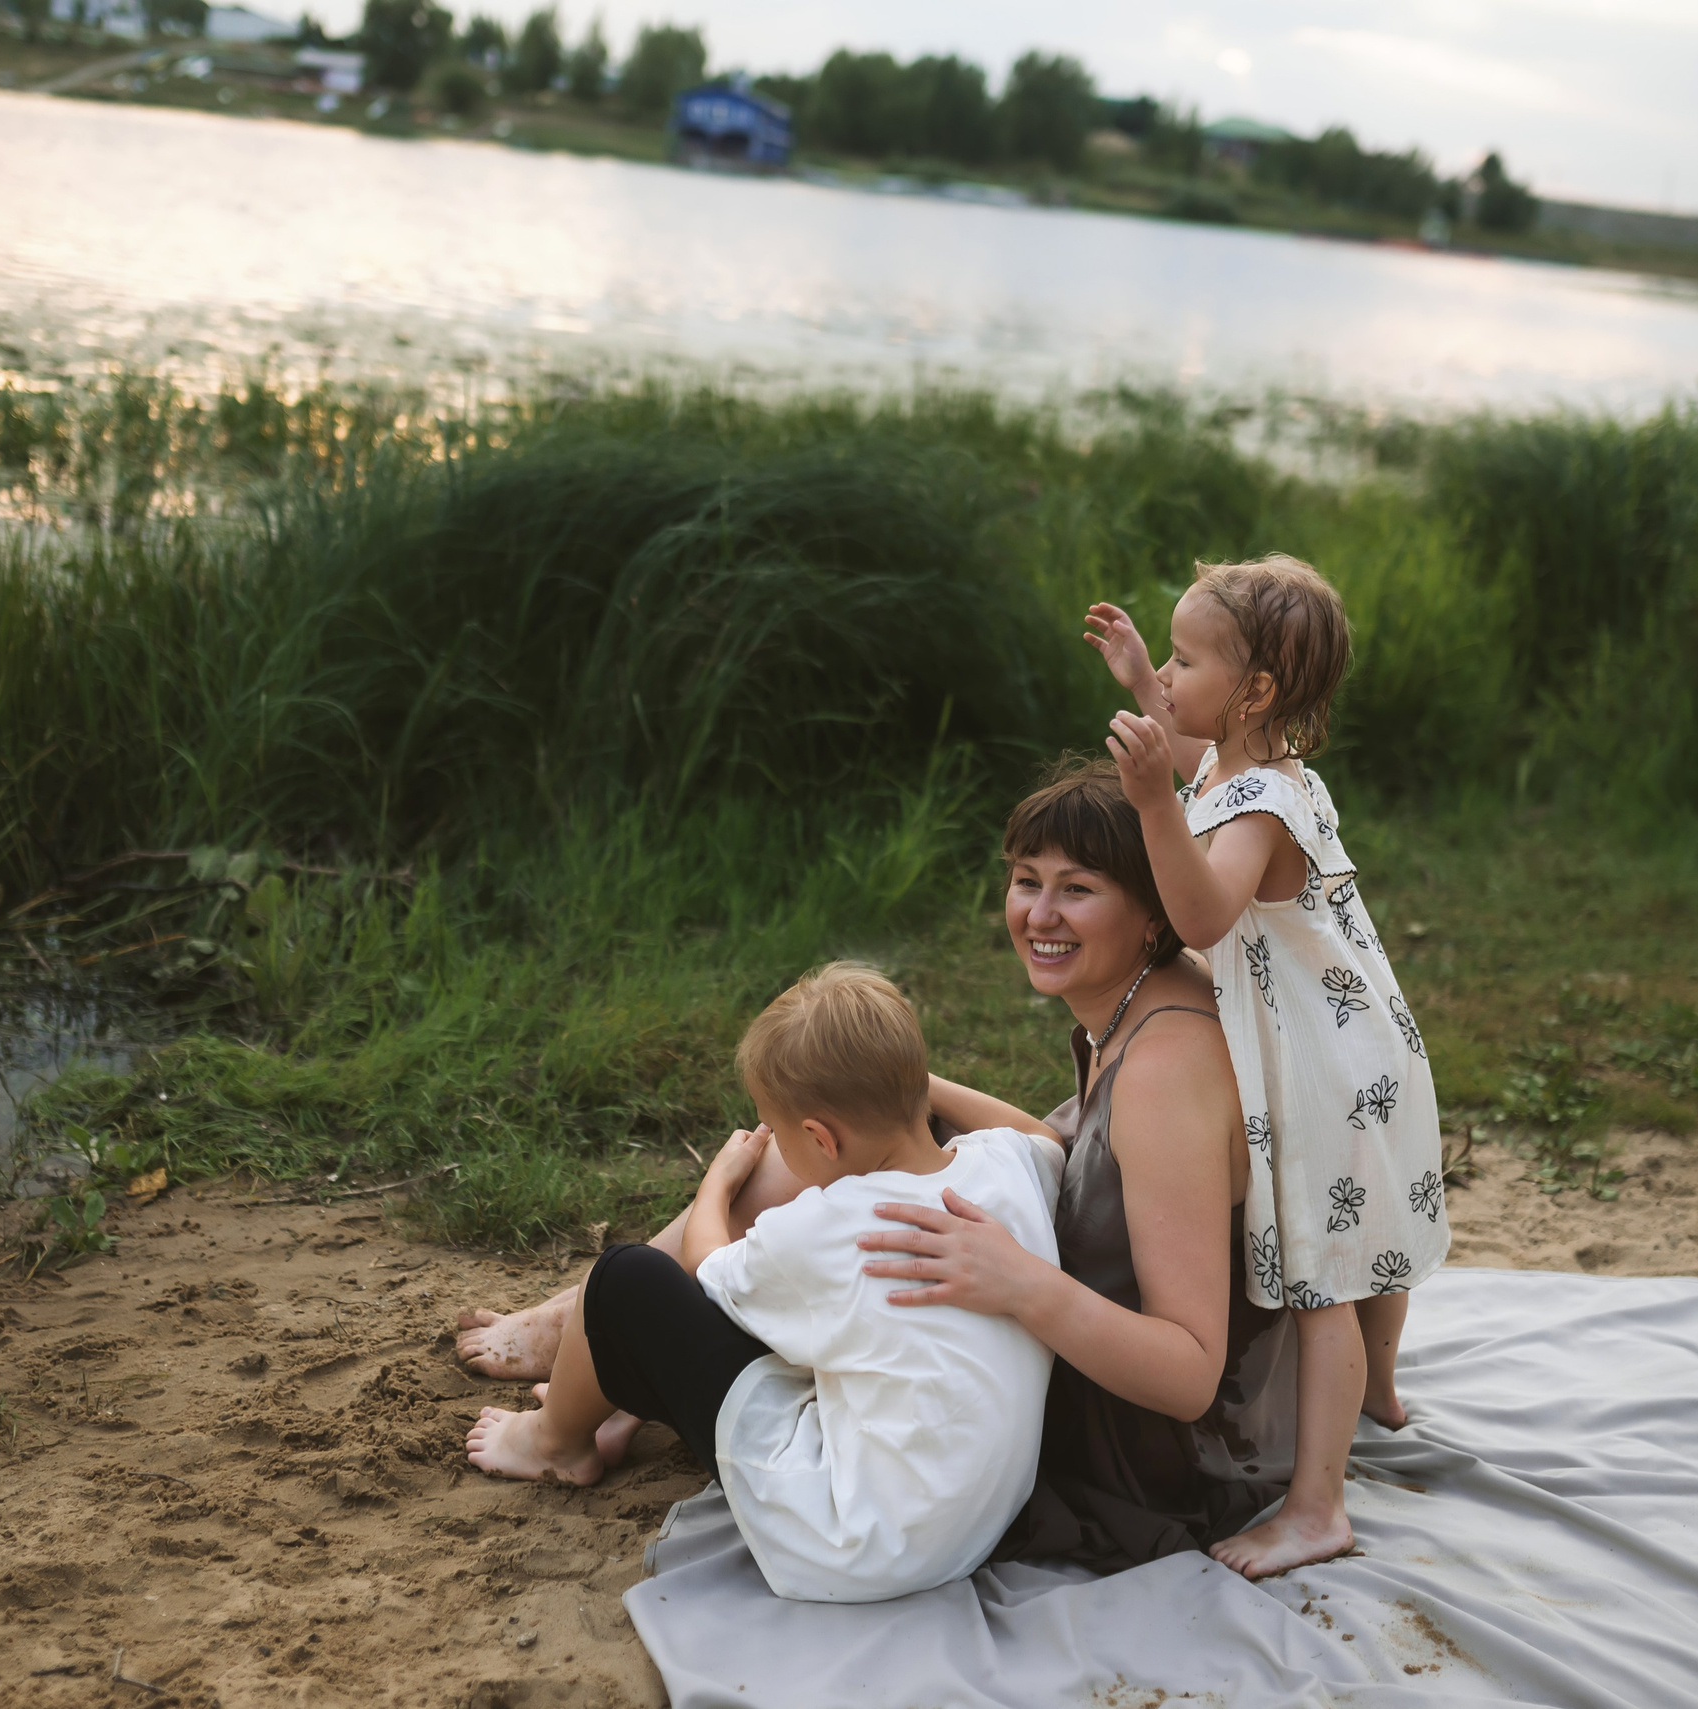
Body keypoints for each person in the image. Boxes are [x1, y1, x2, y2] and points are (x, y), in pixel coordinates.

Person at [465, 963, 1066, 1604]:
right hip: (970, 1529)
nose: (773, 1143)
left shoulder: (831, 1225)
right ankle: (617, 1401)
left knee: (624, 1277)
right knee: (804, 1318)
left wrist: (718, 1182)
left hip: (847, 1545)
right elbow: (1045, 1133)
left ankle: (554, 1442)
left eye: (776, 1131)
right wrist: (897, 1075)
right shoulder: (1011, 1164)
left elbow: (702, 1267)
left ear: (819, 1137)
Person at [1083, 554, 1448, 1578]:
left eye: (1181, 658)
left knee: (1324, 1273)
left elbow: (1201, 913)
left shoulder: (1255, 802)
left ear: (1254, 694)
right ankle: (1378, 1386)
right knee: (1369, 1235)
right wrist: (1145, 688)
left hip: (1320, 1065)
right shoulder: (1241, 755)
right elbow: (1195, 726)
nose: (1165, 673)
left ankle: (1317, 1505)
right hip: (1357, 1035)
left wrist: (1153, 800)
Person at [858, 760, 1298, 1572]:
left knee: (835, 1206)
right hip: (1129, 1406)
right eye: (1027, 881)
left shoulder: (1166, 1066)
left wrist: (1021, 1282)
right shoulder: (1143, 1001)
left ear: (1152, 914)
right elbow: (1077, 1154)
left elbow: (1189, 1372)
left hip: (1161, 1464)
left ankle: (587, 1356)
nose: (1040, 914)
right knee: (846, 1137)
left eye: (1079, 889)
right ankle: (578, 1335)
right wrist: (908, 1089)